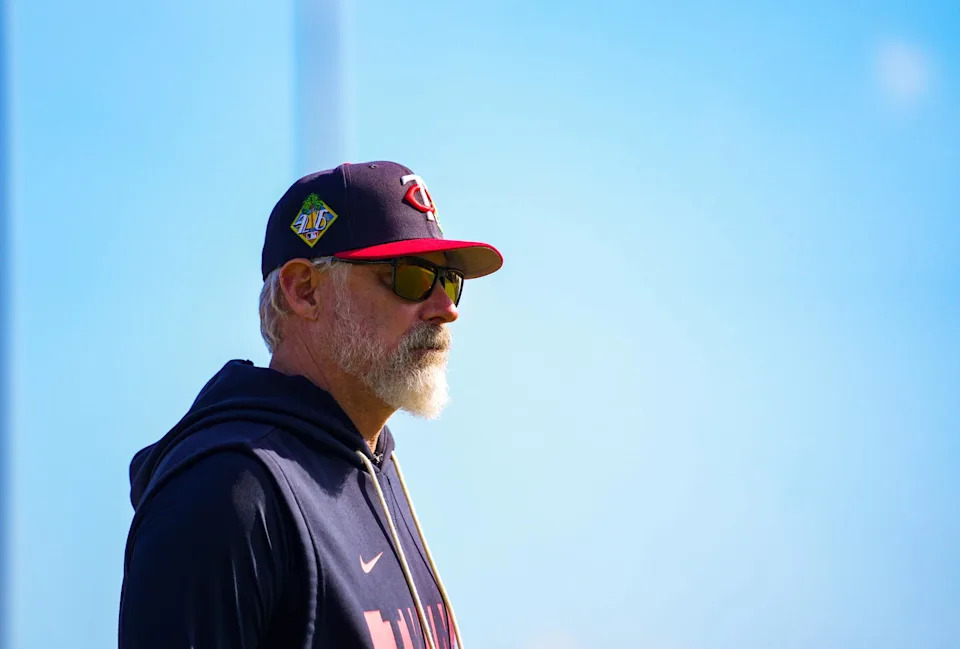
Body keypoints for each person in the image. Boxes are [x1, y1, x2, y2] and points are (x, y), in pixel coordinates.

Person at [118, 161, 502, 649]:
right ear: (304, 291)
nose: (446, 307)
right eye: (410, 277)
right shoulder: (227, 489)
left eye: (448, 280)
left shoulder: (373, 464)